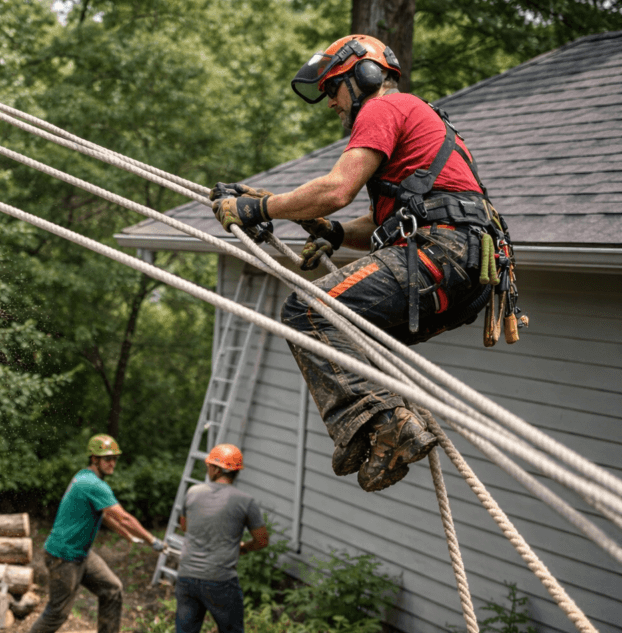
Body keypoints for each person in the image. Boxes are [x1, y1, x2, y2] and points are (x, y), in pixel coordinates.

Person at [211, 34, 517, 492]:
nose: (331, 105)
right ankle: (384, 433)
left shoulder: (382, 108)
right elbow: (380, 222)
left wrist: (259, 208)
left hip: (443, 252)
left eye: (332, 90)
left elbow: (337, 189)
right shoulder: (423, 124)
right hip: (468, 273)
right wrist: (332, 232)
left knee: (307, 311)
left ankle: (387, 424)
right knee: (351, 342)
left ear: (364, 76)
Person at [13, 434, 165, 633]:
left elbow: (104, 514)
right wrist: (153, 540)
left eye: (114, 458)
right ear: (94, 459)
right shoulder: (92, 483)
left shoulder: (85, 477)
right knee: (57, 612)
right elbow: (123, 517)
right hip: (63, 556)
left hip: (82, 554)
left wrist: (123, 534)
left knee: (112, 589)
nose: (112, 463)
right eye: (107, 459)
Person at [172, 444, 268, 633]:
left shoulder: (192, 492)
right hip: (221, 580)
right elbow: (262, 540)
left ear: (215, 469)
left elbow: (185, 526)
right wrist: (242, 547)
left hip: (187, 576)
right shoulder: (245, 501)